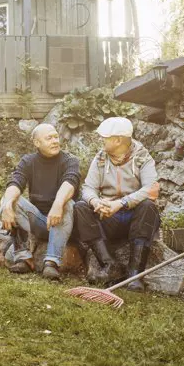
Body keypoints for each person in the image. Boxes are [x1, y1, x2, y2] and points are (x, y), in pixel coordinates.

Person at [74, 117, 161, 289]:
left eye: (104, 137)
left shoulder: (143, 158)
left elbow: (150, 189)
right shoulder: (100, 158)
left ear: (118, 140)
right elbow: (88, 187)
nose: (101, 141)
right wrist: (95, 201)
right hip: (109, 217)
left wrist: (120, 203)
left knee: (148, 206)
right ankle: (110, 265)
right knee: (81, 207)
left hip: (134, 217)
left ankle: (135, 275)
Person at [0, 123, 79, 281]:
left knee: (67, 203)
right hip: (42, 222)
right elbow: (15, 182)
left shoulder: (70, 160)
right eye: (49, 138)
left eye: (56, 137)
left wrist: (57, 204)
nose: (55, 141)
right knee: (10, 200)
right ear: (37, 143)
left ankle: (51, 263)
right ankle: (24, 258)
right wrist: (6, 206)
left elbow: (70, 183)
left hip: (65, 223)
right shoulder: (28, 161)